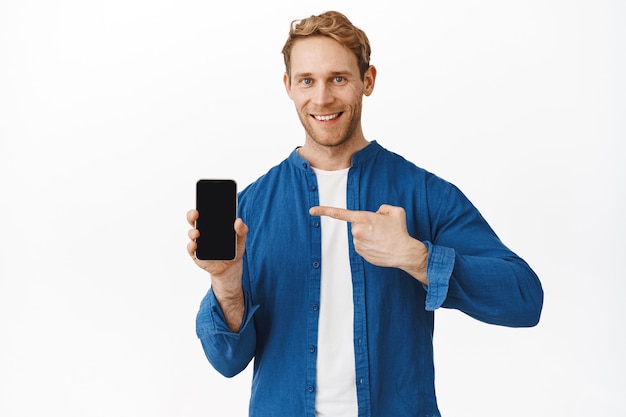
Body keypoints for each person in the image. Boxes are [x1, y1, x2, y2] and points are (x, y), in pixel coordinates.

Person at [186, 10, 543, 417]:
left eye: (338, 78)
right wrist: (227, 283)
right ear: (288, 86)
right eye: (307, 81)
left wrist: (416, 257)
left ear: (367, 81)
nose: (322, 98)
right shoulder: (250, 208)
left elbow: (525, 300)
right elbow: (226, 361)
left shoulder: (424, 194)